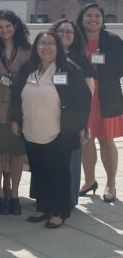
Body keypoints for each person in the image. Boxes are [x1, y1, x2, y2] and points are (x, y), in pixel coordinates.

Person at [10, 31, 91, 228]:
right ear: (35, 47)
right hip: (31, 129)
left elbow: (84, 100)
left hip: (59, 132)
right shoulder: (27, 69)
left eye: (51, 44)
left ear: (58, 47)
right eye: (42, 43)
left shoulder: (69, 70)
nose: (46, 48)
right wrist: (14, 120)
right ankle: (43, 207)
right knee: (39, 172)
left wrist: (79, 127)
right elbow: (15, 96)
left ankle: (59, 211)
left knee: (58, 173)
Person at [0, 10, 31, 215]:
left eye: (7, 26)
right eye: (0, 27)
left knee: (17, 151)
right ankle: (0, 194)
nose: (4, 30)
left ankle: (15, 194)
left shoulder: (27, 49)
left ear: (16, 26)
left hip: (19, 103)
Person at [77, 3, 123, 203]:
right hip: (82, 96)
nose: (93, 19)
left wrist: (105, 79)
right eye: (89, 15)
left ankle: (110, 183)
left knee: (106, 140)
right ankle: (89, 181)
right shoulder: (75, 39)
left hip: (106, 94)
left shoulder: (113, 40)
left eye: (97, 15)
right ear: (82, 17)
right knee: (85, 140)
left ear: (103, 20)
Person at [51, 19, 96, 206]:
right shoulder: (45, 55)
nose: (65, 34)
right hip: (48, 115)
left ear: (75, 35)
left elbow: (89, 93)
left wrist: (83, 124)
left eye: (69, 31)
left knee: (70, 160)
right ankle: (47, 198)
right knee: (49, 159)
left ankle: (67, 200)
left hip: (71, 119)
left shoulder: (81, 59)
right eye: (60, 31)